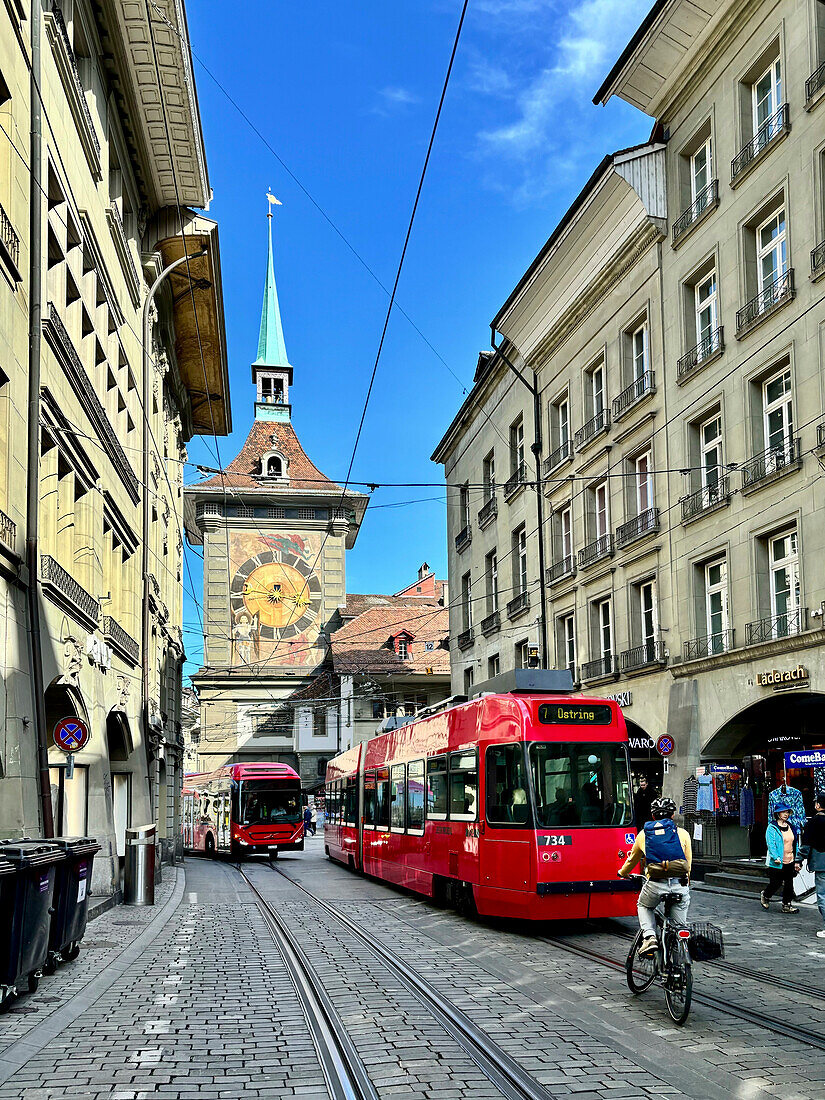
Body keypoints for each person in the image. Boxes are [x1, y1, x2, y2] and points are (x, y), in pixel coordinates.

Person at [618, 796, 692, 957]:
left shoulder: (644, 834)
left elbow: (632, 860)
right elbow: (688, 863)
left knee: (643, 906)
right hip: (680, 884)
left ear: (653, 816)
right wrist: (686, 882)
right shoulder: (683, 834)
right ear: (673, 815)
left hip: (656, 884)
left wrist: (622, 873)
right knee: (679, 927)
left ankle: (650, 937)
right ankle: (680, 966)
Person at [761, 802, 801, 913]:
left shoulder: (791, 826)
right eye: (783, 812)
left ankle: (786, 905)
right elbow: (771, 844)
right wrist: (775, 857)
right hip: (777, 861)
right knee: (776, 883)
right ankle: (766, 895)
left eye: (787, 812)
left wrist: (797, 860)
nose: (785, 814)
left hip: (790, 859)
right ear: (778, 814)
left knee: (789, 883)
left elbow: (795, 843)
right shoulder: (772, 827)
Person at [799, 791, 825, 938]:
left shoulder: (813, 822)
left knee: (822, 895)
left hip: (821, 863)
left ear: (818, 805)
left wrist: (798, 860)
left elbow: (806, 845)